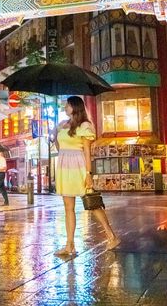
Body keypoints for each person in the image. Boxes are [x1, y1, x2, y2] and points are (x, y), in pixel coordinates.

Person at [54, 96, 120, 256]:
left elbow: (86, 151)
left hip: (78, 166)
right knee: (68, 208)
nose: (65, 107)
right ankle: (69, 245)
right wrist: (55, 131)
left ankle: (111, 236)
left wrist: (88, 173)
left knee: (92, 203)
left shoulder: (85, 125)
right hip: (63, 166)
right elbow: (59, 147)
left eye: (67, 105)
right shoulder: (63, 124)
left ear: (75, 107)